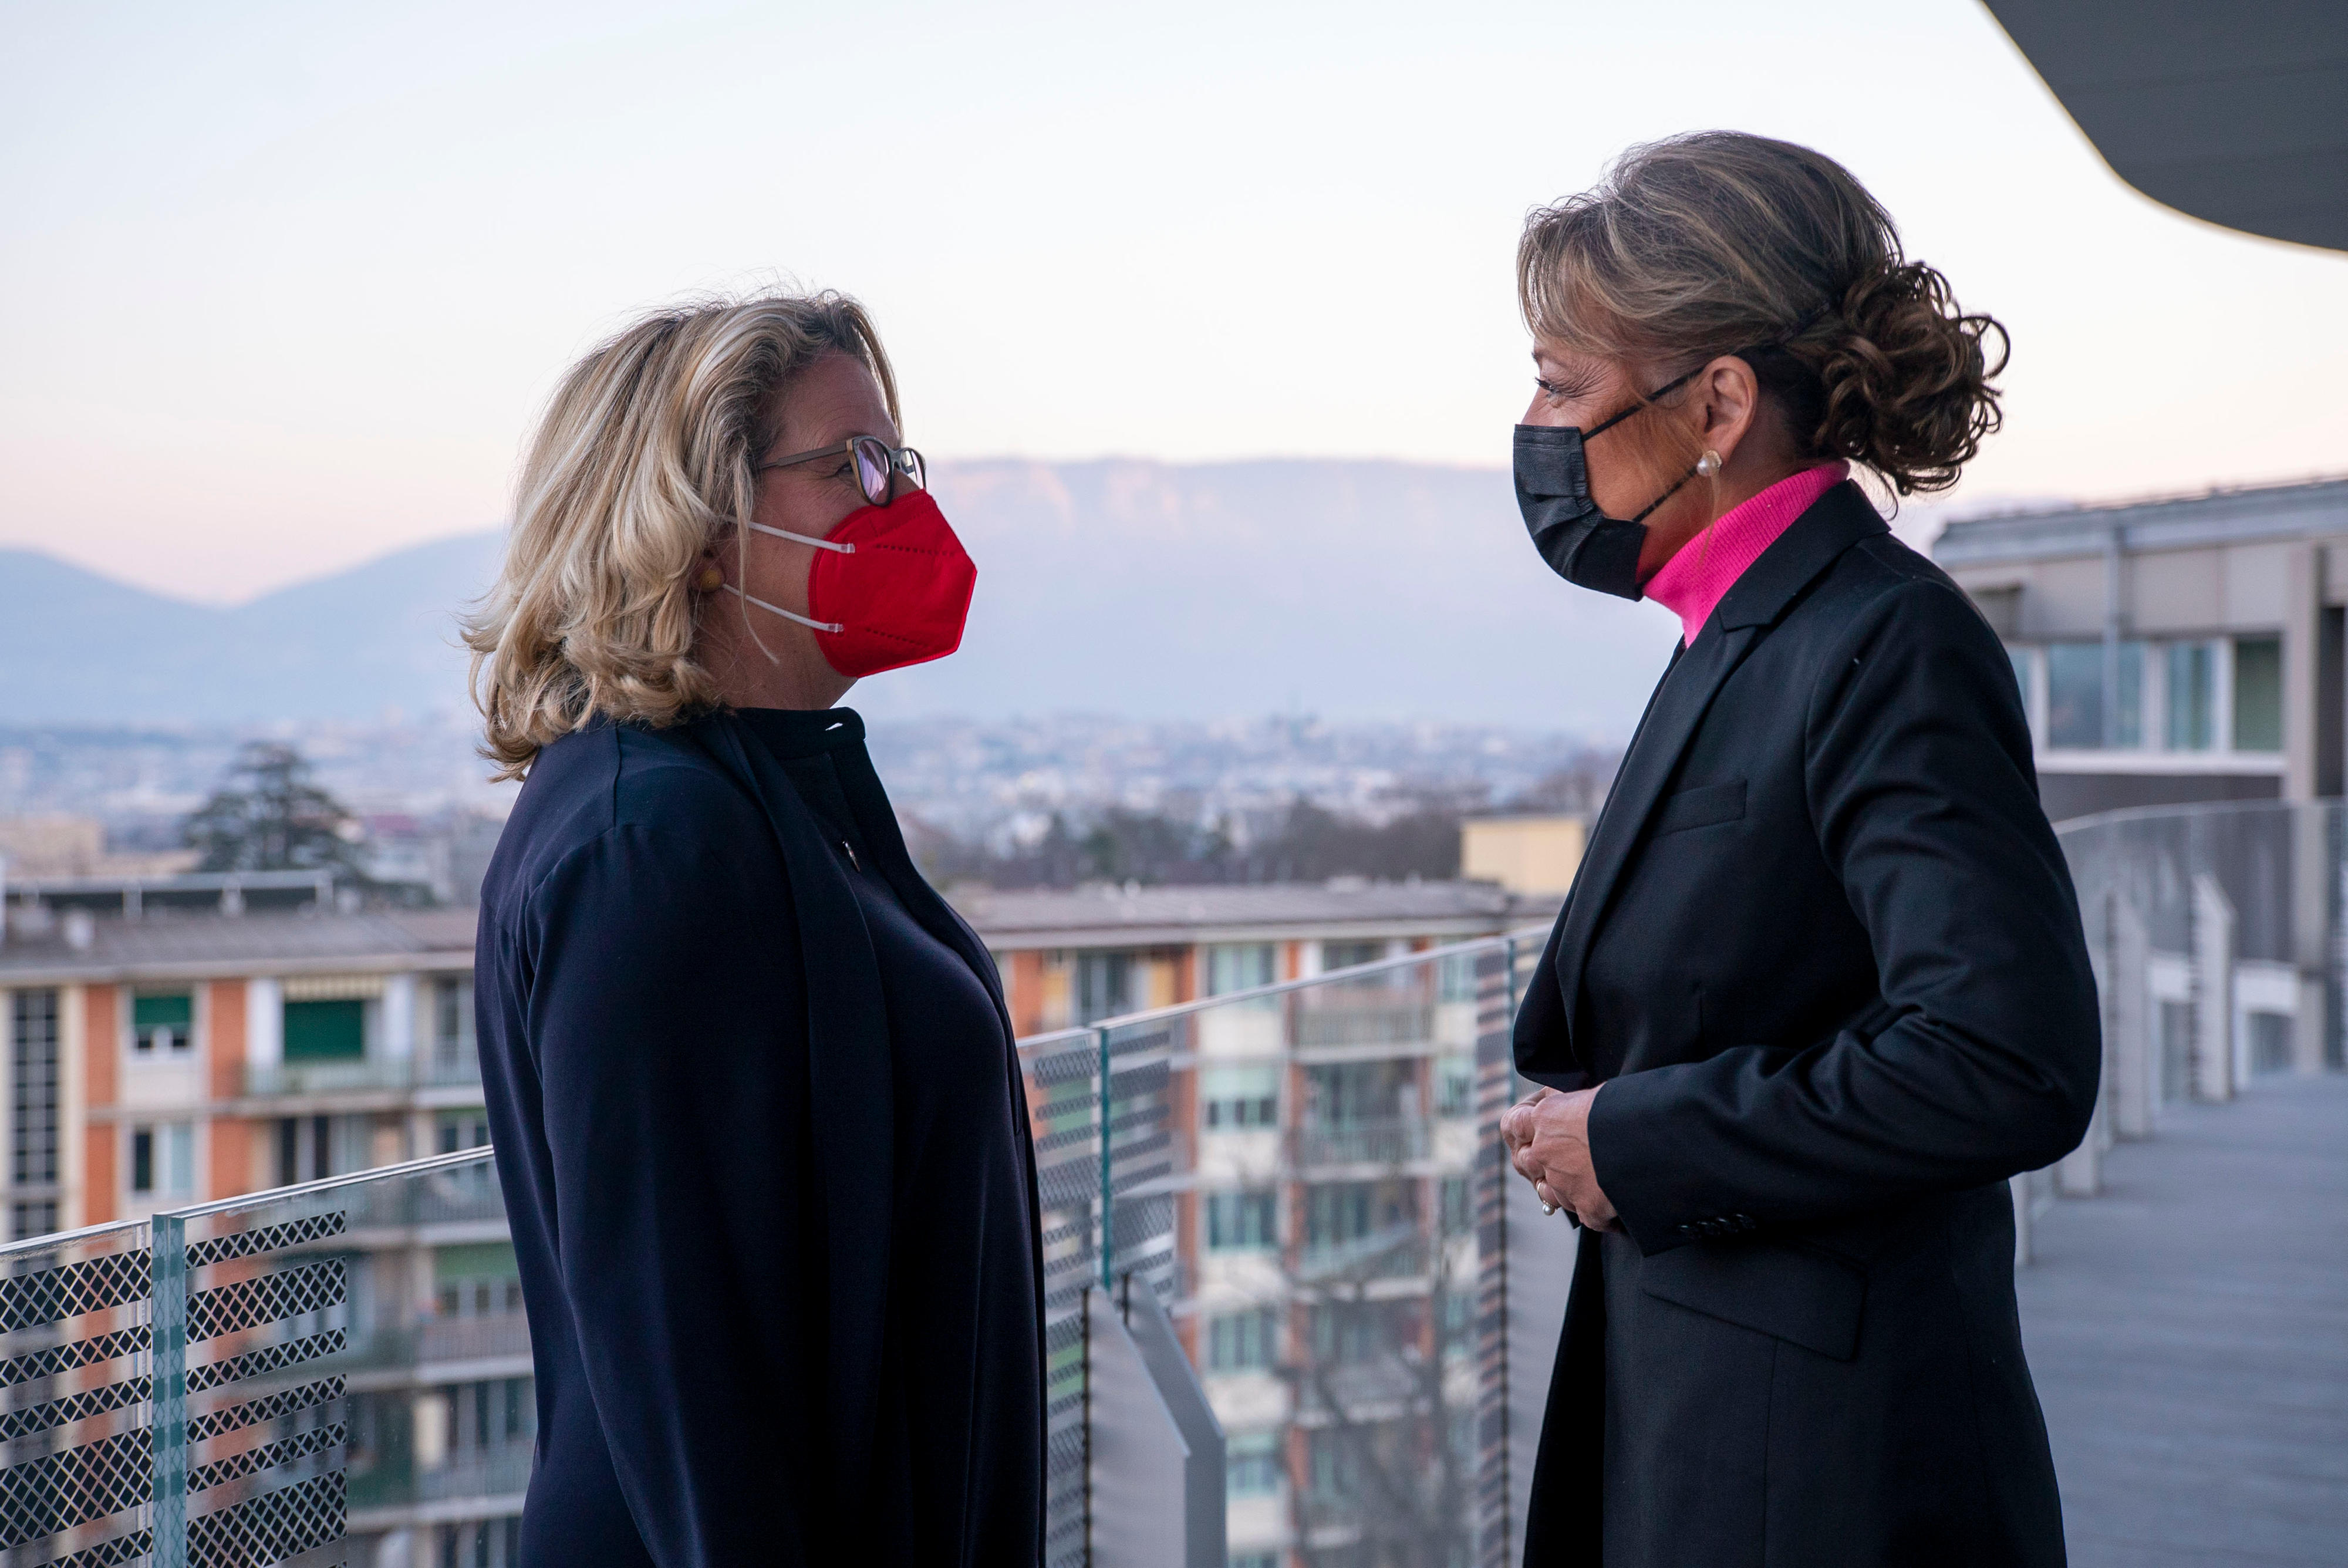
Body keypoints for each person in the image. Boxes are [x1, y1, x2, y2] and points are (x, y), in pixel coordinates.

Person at [1499, 133, 2099, 1567]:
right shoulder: (1747, 629)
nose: (1531, 425)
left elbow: (2003, 1056)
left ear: (1714, 401)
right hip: (1723, 1432)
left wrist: (1633, 1138)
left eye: (1559, 381)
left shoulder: (1882, 640)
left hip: (1824, 1474)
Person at [461, 292, 1042, 1565]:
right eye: (848, 466)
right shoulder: (652, 847)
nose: (896, 501)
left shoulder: (762, 795)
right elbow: (693, 1370)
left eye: (895, 459)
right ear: (699, 527)